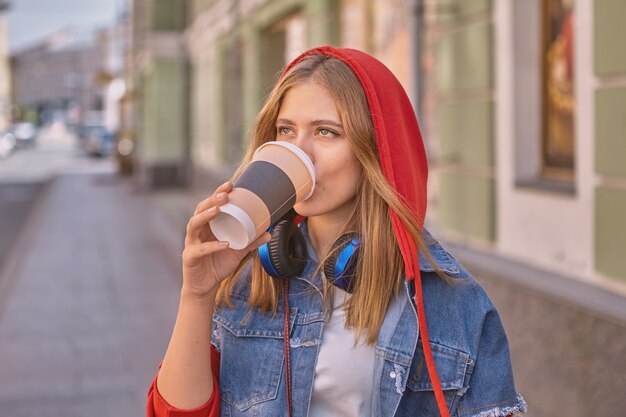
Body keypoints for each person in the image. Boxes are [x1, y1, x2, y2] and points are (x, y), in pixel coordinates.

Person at [146, 46, 528, 417]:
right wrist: (197, 294)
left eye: (326, 132)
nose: (300, 152)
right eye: (286, 130)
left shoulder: (450, 303)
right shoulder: (249, 276)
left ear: (375, 151)